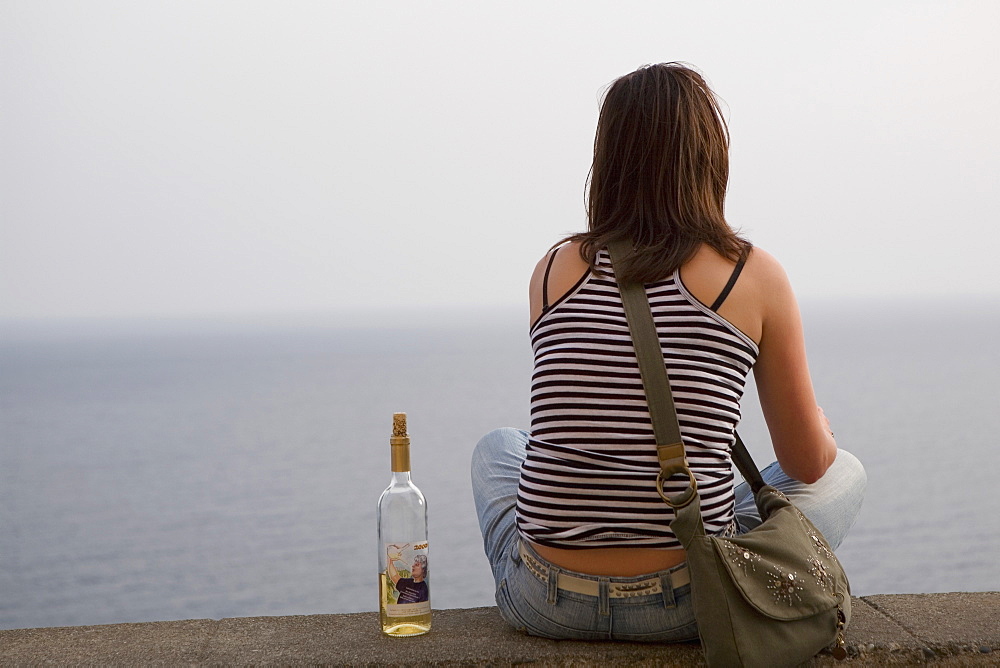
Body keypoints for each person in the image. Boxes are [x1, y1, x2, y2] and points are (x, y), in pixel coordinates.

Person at [471, 62, 866, 642]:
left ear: (608, 160)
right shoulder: (753, 276)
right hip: (693, 600)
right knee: (843, 472)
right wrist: (822, 433)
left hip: (546, 599)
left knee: (498, 448)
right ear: (710, 157)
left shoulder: (553, 271)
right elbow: (809, 464)